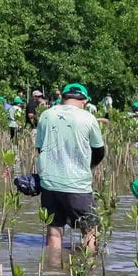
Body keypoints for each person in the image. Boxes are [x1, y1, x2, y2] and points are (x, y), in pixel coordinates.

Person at [35, 83, 105, 252]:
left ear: (63, 97)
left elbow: (39, 148)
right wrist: (90, 166)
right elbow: (99, 151)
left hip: (49, 183)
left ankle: (52, 274)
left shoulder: (46, 115)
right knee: (90, 230)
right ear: (85, 100)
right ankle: (89, 273)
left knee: (54, 232)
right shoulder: (88, 118)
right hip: (77, 184)